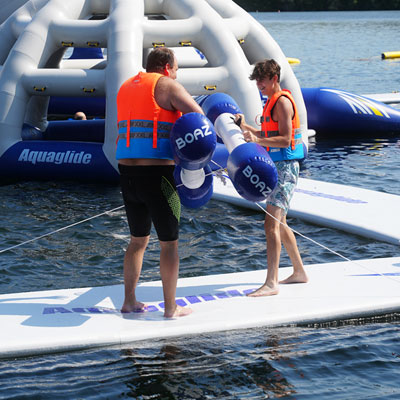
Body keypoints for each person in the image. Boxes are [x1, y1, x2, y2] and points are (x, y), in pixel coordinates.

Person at [116, 47, 204, 318]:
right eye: (176, 69)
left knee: (137, 240)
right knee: (169, 243)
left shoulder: (125, 86)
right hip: (158, 177)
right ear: (167, 67)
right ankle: (170, 307)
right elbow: (199, 119)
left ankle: (129, 301)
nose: (176, 74)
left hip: (127, 174)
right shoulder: (167, 85)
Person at [235, 59, 308, 297]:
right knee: (280, 223)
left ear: (274, 79)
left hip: (285, 168)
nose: (259, 85)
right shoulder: (271, 102)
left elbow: (285, 139)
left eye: (262, 81)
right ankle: (299, 271)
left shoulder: (283, 103)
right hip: (275, 167)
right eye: (257, 81)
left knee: (271, 224)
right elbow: (266, 133)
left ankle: (271, 283)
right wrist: (244, 126)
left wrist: (257, 140)